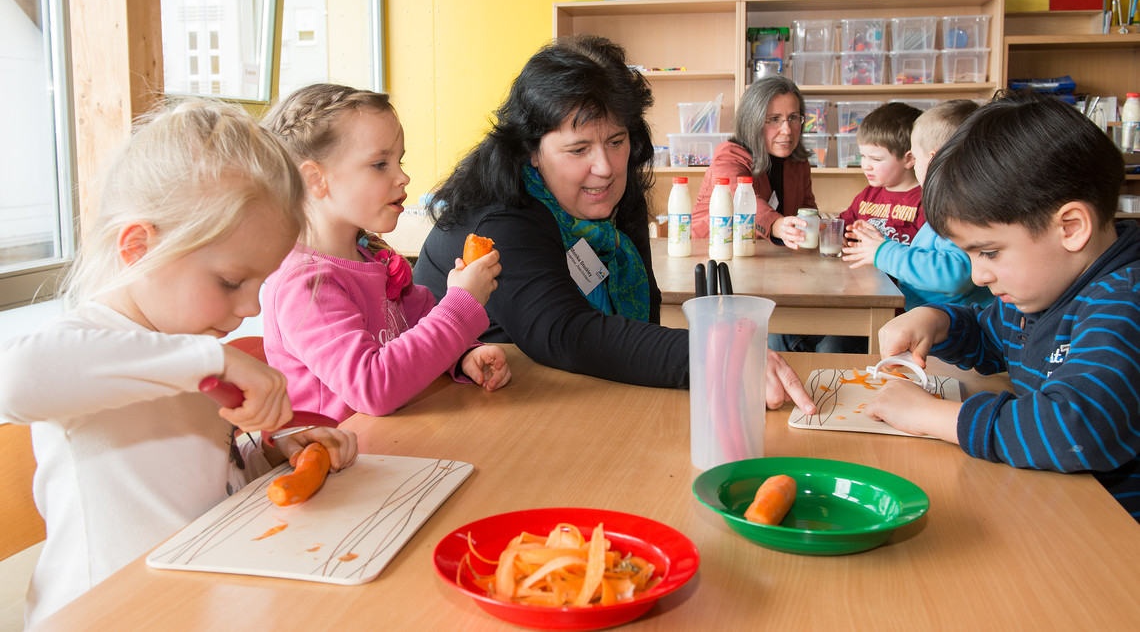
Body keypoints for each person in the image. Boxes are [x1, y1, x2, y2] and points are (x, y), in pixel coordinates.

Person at [0, 100, 360, 626]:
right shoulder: (104, 341)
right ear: (138, 247)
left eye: (261, 283)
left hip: (192, 600)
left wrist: (273, 454)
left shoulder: (182, 343)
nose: (250, 307)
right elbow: (15, 380)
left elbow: (201, 480)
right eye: (232, 281)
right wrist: (208, 360)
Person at [413, 34, 814, 413]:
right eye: (578, 148)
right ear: (531, 151)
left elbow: (643, 306)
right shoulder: (502, 221)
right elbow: (567, 334)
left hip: (576, 395)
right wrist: (718, 355)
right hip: (472, 408)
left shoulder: (614, 195)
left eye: (616, 141)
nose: (604, 168)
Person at [866, 91, 1140, 521]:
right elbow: (990, 336)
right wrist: (937, 322)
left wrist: (933, 416)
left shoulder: (1123, 303)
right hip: (1049, 505)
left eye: (989, 253)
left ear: (1070, 227)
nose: (977, 276)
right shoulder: (1043, 291)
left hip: (1108, 542)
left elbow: (1075, 429)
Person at [262, 84, 510, 423]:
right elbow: (373, 386)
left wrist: (462, 354)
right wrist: (461, 303)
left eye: (399, 160)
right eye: (380, 164)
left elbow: (420, 327)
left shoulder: (370, 256)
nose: (403, 176)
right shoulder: (304, 286)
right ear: (315, 179)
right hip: (343, 465)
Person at [842, 99, 992, 310]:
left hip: (948, 325)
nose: (913, 164)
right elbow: (928, 254)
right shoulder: (950, 203)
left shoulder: (959, 211)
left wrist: (883, 252)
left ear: (933, 160)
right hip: (927, 316)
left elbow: (954, 275)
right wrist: (881, 243)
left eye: (915, 155)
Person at [691, 75, 816, 247]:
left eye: (793, 117)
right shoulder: (728, 156)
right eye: (774, 119)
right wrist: (778, 225)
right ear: (753, 121)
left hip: (766, 258)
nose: (787, 130)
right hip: (711, 254)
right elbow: (742, 202)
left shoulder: (798, 162)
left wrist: (821, 228)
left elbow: (807, 210)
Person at [837, 101, 925, 245]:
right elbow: (841, 225)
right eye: (862, 156)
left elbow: (926, 254)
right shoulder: (867, 195)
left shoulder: (925, 202)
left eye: (876, 159)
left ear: (909, 159)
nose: (865, 166)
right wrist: (836, 235)